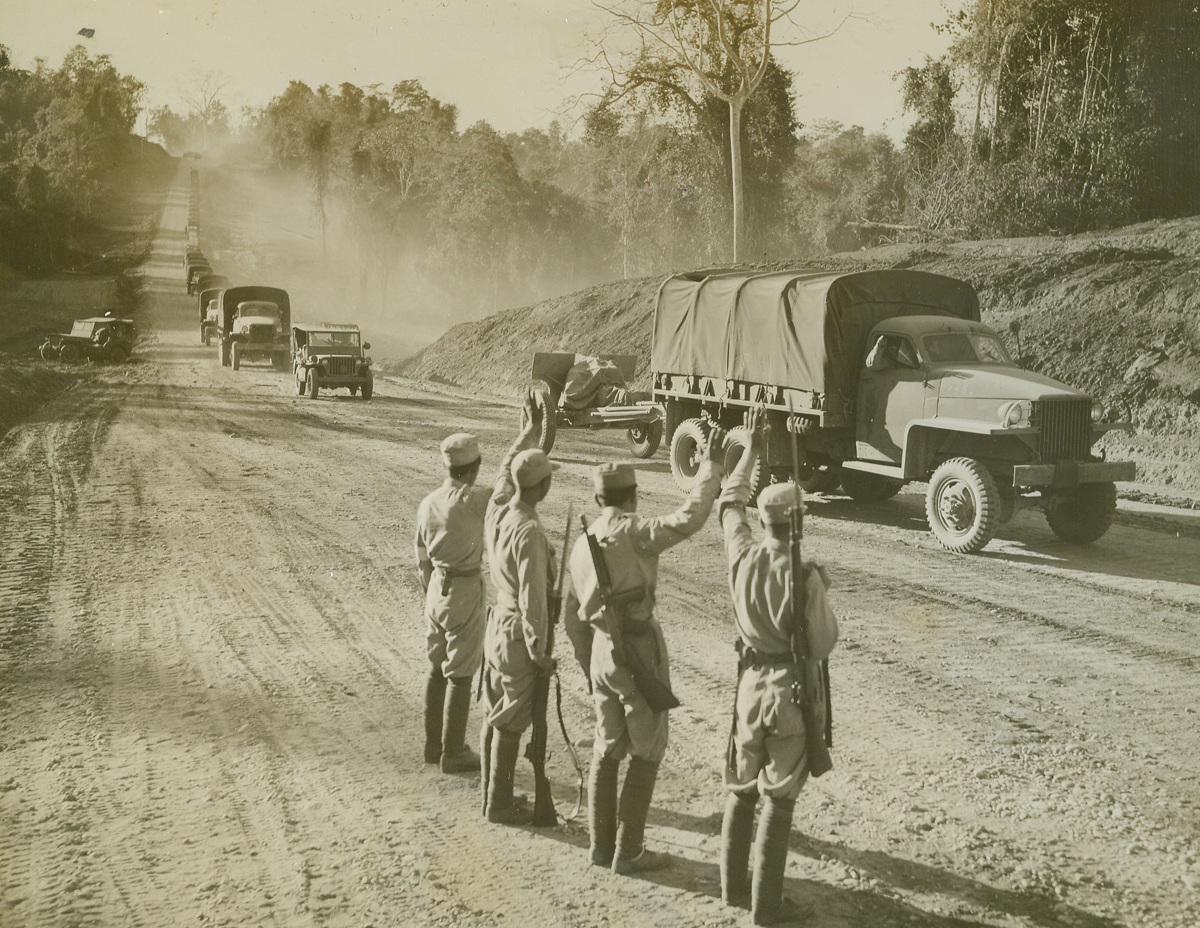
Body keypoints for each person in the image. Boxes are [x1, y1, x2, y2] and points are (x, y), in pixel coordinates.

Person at [563, 427, 727, 875]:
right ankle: (630, 851)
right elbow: (690, 518)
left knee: (607, 746)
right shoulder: (634, 532)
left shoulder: (582, 544)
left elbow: (571, 616)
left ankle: (601, 848)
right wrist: (710, 468)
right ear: (632, 497)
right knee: (647, 749)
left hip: (600, 651)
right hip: (636, 650)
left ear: (599, 500)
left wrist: (588, 665)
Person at [717, 407, 839, 925]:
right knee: (778, 802)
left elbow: (728, 502)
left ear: (763, 521)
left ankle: (731, 892)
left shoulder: (741, 554)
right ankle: (765, 911)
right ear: (800, 522)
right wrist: (820, 589)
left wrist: (747, 451)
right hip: (789, 694)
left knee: (741, 791)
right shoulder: (805, 576)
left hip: (748, 690)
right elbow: (823, 644)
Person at [479, 400, 558, 825]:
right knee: (511, 719)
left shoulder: (499, 511)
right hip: (516, 634)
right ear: (543, 488)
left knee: (497, 710)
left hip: (496, 627)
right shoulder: (528, 531)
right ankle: (499, 803)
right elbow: (535, 603)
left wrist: (528, 432)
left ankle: (491, 791)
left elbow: (503, 470)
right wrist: (540, 651)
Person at [414, 432, 492, 774]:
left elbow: (421, 558)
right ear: (475, 468)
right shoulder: (474, 500)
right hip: (463, 586)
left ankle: (433, 747)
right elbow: (512, 483)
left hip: (436, 588)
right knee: (461, 673)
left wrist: (433, 590)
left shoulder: (428, 502)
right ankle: (454, 751)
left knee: (437, 666)